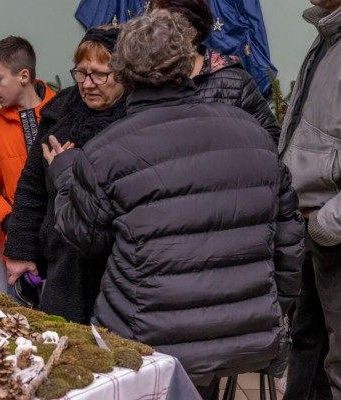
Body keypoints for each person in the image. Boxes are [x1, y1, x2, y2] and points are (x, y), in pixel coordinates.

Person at [43, 10, 304, 395]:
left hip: (148, 338)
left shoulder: (105, 153)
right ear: (187, 63)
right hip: (240, 334)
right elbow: (289, 239)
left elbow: (84, 238)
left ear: (125, 72)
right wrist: (269, 307)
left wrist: (65, 172)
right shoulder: (252, 133)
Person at [3, 26, 127, 322]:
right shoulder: (60, 114)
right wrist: (21, 251)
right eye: (81, 73)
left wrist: (69, 168)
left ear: (123, 73)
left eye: (99, 73)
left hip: (115, 268)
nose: (87, 83)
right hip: (62, 262)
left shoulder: (137, 119)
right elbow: (31, 186)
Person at [277, 1, 341, 398]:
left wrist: (326, 225)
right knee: (308, 349)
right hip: (312, 230)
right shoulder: (327, 37)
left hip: (330, 230)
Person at [0, 36, 56, 254]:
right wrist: (10, 222)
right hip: (22, 248)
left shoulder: (61, 112)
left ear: (23, 76)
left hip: (67, 240)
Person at [152, 0, 280, 143]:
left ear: (191, 34)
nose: (152, 35)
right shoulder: (145, 81)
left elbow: (272, 137)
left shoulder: (234, 80)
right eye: (151, 26)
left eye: (164, 26)